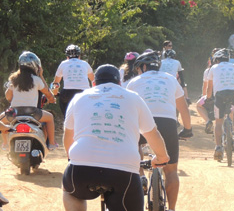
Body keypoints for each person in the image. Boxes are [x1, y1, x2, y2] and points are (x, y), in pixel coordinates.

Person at [62, 64, 170, 211]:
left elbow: (69, 136)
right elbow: (152, 133)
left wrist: (73, 159)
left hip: (82, 170)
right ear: (119, 83)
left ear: (93, 83)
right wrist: (161, 157)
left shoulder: (79, 98)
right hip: (123, 172)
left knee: (72, 192)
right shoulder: (133, 97)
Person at [127, 51, 192, 211]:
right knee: (171, 170)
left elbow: (127, 110)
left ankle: (141, 175)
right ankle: (172, 209)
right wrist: (188, 129)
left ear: (142, 66)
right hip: (167, 123)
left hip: (143, 122)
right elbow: (183, 109)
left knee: (136, 146)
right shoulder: (171, 80)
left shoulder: (134, 82)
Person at [1, 51, 58, 151]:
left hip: (13, 113)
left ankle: (6, 144)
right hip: (32, 113)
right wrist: (41, 75)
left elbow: (8, 97)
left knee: (1, 121)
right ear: (36, 66)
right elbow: (48, 93)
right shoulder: (36, 79)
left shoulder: (13, 79)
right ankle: (52, 144)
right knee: (50, 118)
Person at [206, 49, 234, 161]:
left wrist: (208, 98)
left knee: (218, 121)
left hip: (220, 95)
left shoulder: (213, 68)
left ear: (217, 60)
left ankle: (218, 147)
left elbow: (209, 87)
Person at [52, 44, 94, 116]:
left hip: (67, 94)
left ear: (67, 56)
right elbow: (94, 81)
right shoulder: (85, 64)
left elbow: (56, 83)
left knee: (67, 116)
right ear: (79, 56)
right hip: (84, 92)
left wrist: (55, 93)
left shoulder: (63, 63)